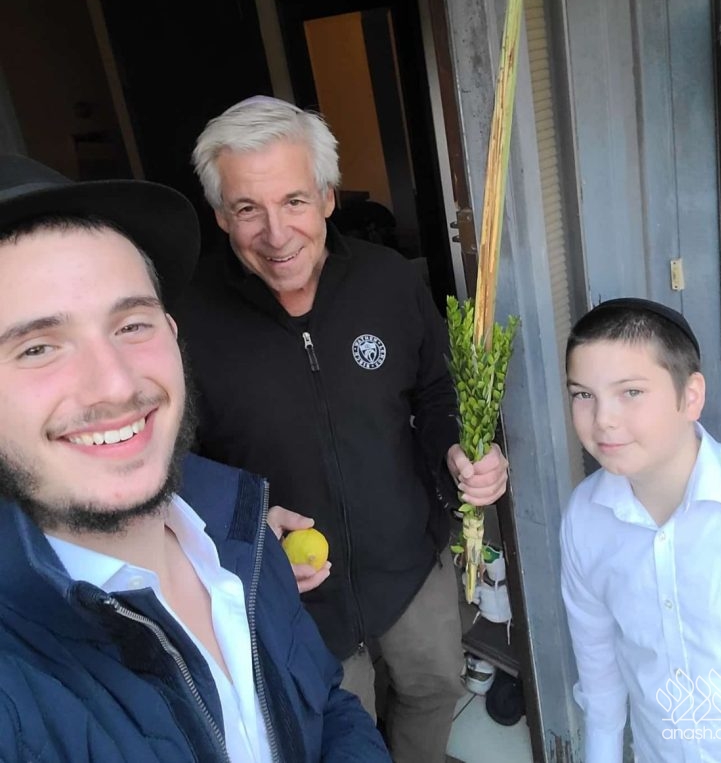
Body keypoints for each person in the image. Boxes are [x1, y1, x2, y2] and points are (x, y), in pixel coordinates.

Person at [0, 153, 390, 763]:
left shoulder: (244, 532)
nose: (115, 384)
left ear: (173, 333)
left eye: (131, 325)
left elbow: (329, 705)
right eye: (37, 348)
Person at [175, 96, 510, 763]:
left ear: (328, 198)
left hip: (409, 560)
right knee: (335, 733)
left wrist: (458, 448)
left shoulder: (388, 281)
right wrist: (244, 532)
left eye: (294, 200)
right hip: (290, 590)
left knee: (433, 689)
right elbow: (171, 461)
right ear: (221, 216)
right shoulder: (185, 320)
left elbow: (436, 389)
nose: (276, 233)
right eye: (248, 208)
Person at [560, 297, 721, 762]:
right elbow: (600, 681)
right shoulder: (585, 519)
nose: (603, 418)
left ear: (690, 396)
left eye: (631, 392)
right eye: (583, 395)